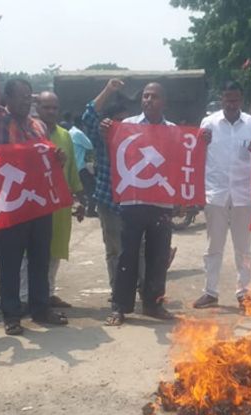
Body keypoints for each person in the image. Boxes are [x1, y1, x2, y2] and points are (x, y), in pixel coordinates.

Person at [0, 1, 68, 335]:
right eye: (20, 96)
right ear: (6, 99)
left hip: (39, 204)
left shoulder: (37, 126)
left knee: (40, 259)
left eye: (29, 96)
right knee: (12, 261)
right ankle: (11, 314)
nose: (26, 101)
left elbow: (50, 159)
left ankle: (40, 309)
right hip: (13, 204)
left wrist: (58, 158)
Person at [102, 82, 176, 326]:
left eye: (154, 96)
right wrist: (107, 132)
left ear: (163, 101)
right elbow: (115, 151)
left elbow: (183, 160)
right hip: (133, 201)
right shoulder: (127, 127)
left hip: (162, 204)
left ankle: (153, 304)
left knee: (158, 256)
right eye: (145, 96)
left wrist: (202, 141)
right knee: (127, 255)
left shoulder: (174, 131)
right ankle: (120, 306)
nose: (148, 100)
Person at [193, 81, 251, 311]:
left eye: (235, 99)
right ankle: (210, 292)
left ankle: (244, 293)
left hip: (244, 195)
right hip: (216, 194)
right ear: (221, 99)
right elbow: (196, 155)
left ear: (240, 100)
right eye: (227, 99)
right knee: (214, 247)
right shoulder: (209, 124)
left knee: (243, 248)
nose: (231, 103)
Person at [81, 79, 146, 297]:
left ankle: (145, 291)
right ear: (107, 122)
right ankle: (119, 292)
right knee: (114, 250)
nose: (121, 125)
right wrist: (108, 90)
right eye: (117, 121)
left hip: (136, 201)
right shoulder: (101, 137)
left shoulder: (139, 138)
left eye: (125, 121)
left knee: (142, 249)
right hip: (109, 200)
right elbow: (88, 115)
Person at [21, 91, 84, 308]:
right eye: (46, 107)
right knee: (30, 254)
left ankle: (47, 293)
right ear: (36, 108)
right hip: (33, 203)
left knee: (54, 251)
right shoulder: (27, 134)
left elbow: (72, 169)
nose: (50, 112)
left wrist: (78, 196)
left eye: (54, 108)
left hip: (59, 204)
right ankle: (25, 298)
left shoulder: (65, 135)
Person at [69, 117, 97, 217]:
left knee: (79, 190)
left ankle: (79, 208)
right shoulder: (78, 133)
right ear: (82, 124)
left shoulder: (69, 132)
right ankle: (90, 210)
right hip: (81, 166)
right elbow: (89, 145)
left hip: (73, 166)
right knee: (91, 189)